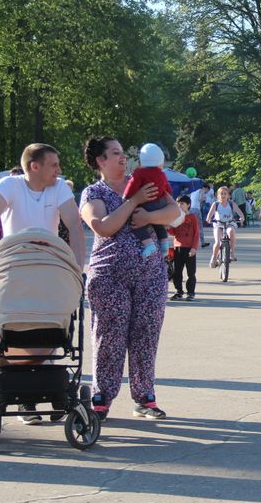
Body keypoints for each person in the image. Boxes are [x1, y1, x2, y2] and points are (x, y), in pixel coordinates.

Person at [0, 144, 86, 424]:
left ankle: (48, 389)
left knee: (48, 323)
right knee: (16, 327)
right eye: (54, 165)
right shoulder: (10, 186)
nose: (59, 170)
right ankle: (24, 395)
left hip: (48, 266)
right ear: (34, 166)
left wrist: (77, 268)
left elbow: (74, 225)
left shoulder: (58, 188)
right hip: (14, 268)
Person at [80, 136, 180, 421]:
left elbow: (174, 213)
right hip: (109, 276)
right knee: (109, 337)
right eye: (116, 153)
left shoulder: (144, 181)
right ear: (101, 160)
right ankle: (102, 397)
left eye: (123, 153)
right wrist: (134, 201)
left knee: (146, 335)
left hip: (151, 274)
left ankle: (145, 397)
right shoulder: (93, 193)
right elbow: (103, 227)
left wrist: (149, 217)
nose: (123, 158)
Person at [124, 143, 172, 258]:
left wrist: (127, 196)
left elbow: (132, 185)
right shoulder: (162, 174)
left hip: (146, 203)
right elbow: (168, 189)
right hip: (160, 203)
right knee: (158, 223)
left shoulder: (139, 172)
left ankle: (148, 244)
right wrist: (167, 196)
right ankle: (164, 242)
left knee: (135, 222)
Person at [167, 195, 200, 301]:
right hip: (178, 247)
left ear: (188, 205)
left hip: (189, 248)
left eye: (182, 203)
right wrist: (168, 227)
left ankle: (190, 293)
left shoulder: (192, 217)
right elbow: (173, 232)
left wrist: (194, 248)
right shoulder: (176, 217)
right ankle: (178, 291)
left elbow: (196, 233)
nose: (179, 205)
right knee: (177, 272)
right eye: (178, 203)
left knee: (191, 272)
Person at [206, 186, 245, 266]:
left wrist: (242, 218)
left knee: (231, 231)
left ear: (228, 195)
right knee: (218, 242)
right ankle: (214, 257)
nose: (223, 195)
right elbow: (209, 215)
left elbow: (240, 213)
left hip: (229, 223)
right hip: (218, 224)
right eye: (221, 194)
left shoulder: (231, 204)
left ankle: (232, 252)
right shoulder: (216, 204)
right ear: (218, 195)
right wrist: (209, 219)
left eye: (225, 193)